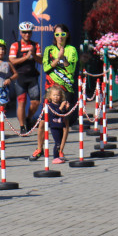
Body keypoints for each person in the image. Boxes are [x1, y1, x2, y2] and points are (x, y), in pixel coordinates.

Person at [36, 24, 78, 159]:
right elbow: (46, 68)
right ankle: (39, 148)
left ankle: (60, 149)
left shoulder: (71, 50)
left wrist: (63, 57)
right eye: (57, 34)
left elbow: (71, 69)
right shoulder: (49, 49)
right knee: (43, 121)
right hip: (51, 89)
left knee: (63, 121)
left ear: (67, 35)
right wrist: (57, 58)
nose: (60, 37)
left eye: (63, 34)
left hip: (66, 89)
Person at [9, 21, 42, 130]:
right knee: (21, 102)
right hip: (20, 77)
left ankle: (29, 118)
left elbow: (41, 61)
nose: (27, 34)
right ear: (21, 32)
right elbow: (12, 61)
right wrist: (26, 57)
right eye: (24, 32)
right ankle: (22, 126)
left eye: (29, 32)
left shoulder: (35, 45)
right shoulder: (15, 45)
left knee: (36, 102)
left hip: (32, 77)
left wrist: (33, 55)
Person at [43, 84, 69, 164]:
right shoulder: (50, 105)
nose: (56, 97)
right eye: (54, 95)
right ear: (50, 96)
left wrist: (66, 108)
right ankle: (55, 157)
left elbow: (63, 114)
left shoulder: (60, 104)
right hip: (54, 126)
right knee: (57, 143)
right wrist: (61, 107)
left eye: (57, 95)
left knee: (60, 142)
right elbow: (55, 113)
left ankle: (60, 154)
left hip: (61, 125)